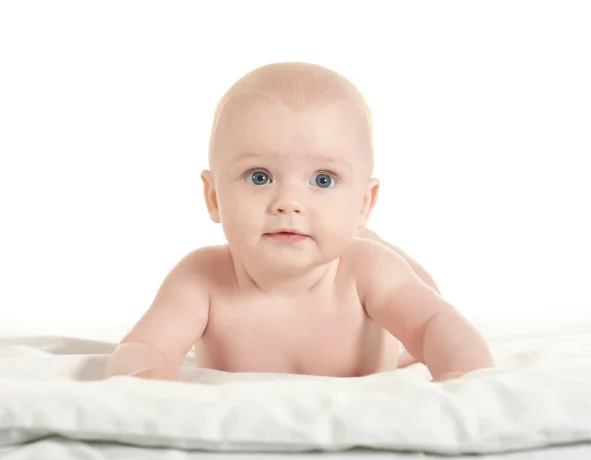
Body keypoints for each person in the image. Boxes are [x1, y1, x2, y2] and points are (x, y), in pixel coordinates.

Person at [104, 62, 493, 383]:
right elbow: (145, 347)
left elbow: (435, 323)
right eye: (259, 177)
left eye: (323, 180)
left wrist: (464, 378)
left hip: (382, 288)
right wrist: (145, 379)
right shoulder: (201, 279)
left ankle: (374, 242)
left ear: (363, 203)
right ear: (214, 197)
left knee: (419, 297)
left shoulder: (365, 272)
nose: (289, 203)